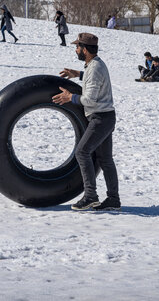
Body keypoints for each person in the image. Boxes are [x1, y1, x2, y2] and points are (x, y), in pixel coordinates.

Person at [52, 33, 120, 211]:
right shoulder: (93, 66)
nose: (75, 50)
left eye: (77, 47)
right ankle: (113, 199)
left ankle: (90, 196)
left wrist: (70, 97)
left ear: (85, 49)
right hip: (105, 116)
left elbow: (90, 99)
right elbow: (93, 78)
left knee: (82, 152)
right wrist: (79, 74)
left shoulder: (95, 67)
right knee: (105, 159)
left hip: (100, 118)